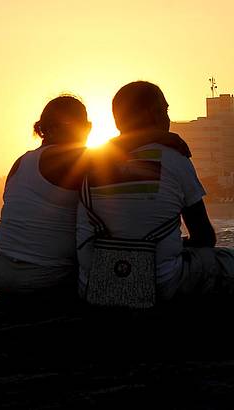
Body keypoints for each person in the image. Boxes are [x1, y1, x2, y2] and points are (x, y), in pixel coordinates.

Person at [77, 81, 224, 304]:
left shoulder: (87, 163)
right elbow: (205, 237)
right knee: (225, 262)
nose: (167, 118)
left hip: (94, 285)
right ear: (150, 114)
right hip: (160, 284)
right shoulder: (174, 158)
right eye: (164, 110)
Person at [0, 95, 91, 300]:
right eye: (81, 125)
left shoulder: (20, 162)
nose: (87, 130)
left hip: (0, 274)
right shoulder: (75, 158)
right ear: (50, 128)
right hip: (47, 279)